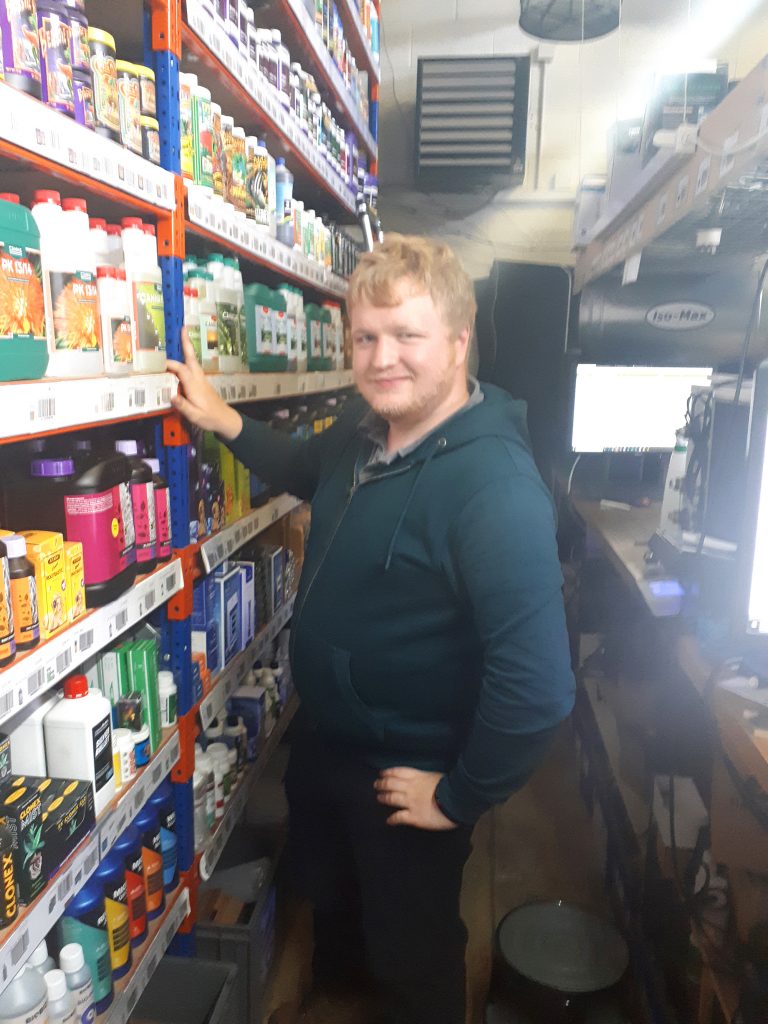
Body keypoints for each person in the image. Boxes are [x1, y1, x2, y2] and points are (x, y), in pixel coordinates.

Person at [168, 234, 575, 1024]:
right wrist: (225, 420)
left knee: (412, 952)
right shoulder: (365, 426)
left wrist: (458, 796)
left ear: (459, 343)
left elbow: (539, 690)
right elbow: (301, 467)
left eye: (407, 337)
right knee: (335, 905)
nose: (382, 358)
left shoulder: (495, 488)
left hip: (409, 772)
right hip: (330, 746)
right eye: (366, 337)